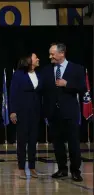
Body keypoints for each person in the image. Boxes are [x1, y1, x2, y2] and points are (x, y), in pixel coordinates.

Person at [41, 43, 85, 182]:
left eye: (52, 54)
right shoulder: (47, 70)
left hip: (70, 113)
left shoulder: (77, 69)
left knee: (73, 143)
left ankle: (76, 171)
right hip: (53, 114)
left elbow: (83, 87)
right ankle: (62, 169)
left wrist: (67, 84)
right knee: (57, 143)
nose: (50, 57)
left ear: (62, 53)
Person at [10, 53, 42, 179]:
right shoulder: (18, 74)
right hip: (22, 111)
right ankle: (21, 168)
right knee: (22, 141)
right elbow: (13, 93)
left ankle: (32, 167)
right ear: (29, 60)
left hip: (35, 112)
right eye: (36, 57)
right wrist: (13, 111)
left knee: (33, 140)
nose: (38, 59)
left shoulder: (39, 74)